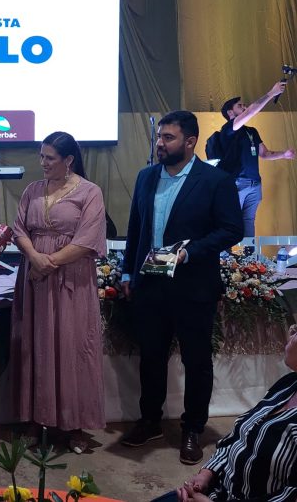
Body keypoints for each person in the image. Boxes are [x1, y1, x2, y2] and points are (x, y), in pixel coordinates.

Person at [120, 111, 243, 465]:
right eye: (159, 137)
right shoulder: (146, 177)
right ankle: (150, 421)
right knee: (151, 358)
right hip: (150, 285)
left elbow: (231, 229)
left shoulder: (215, 180)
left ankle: (193, 430)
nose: (160, 143)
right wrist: (128, 273)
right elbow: (135, 230)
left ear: (190, 142)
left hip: (193, 286)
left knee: (197, 361)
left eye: (169, 138)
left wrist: (190, 252)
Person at [10, 131, 107, 453]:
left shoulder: (90, 192)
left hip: (72, 282)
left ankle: (74, 425)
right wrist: (35, 258)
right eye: (41, 156)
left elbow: (88, 238)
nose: (43, 163)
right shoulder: (32, 190)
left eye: (50, 158)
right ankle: (35, 421)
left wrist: (48, 261)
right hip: (35, 280)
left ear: (69, 160)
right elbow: (19, 228)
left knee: (73, 347)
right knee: (36, 347)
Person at [151, 324, 297, 502]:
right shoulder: (288, 384)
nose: (291, 332)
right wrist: (207, 473)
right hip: (218, 491)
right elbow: (238, 437)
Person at [215, 80, 295, 236]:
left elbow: (265, 154)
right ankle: (224, 257)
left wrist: (284, 154)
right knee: (230, 220)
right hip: (237, 183)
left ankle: (248, 257)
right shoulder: (228, 129)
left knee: (248, 221)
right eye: (240, 106)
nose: (244, 107)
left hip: (254, 184)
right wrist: (272, 93)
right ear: (230, 113)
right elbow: (251, 111)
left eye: (244, 105)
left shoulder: (251, 131)